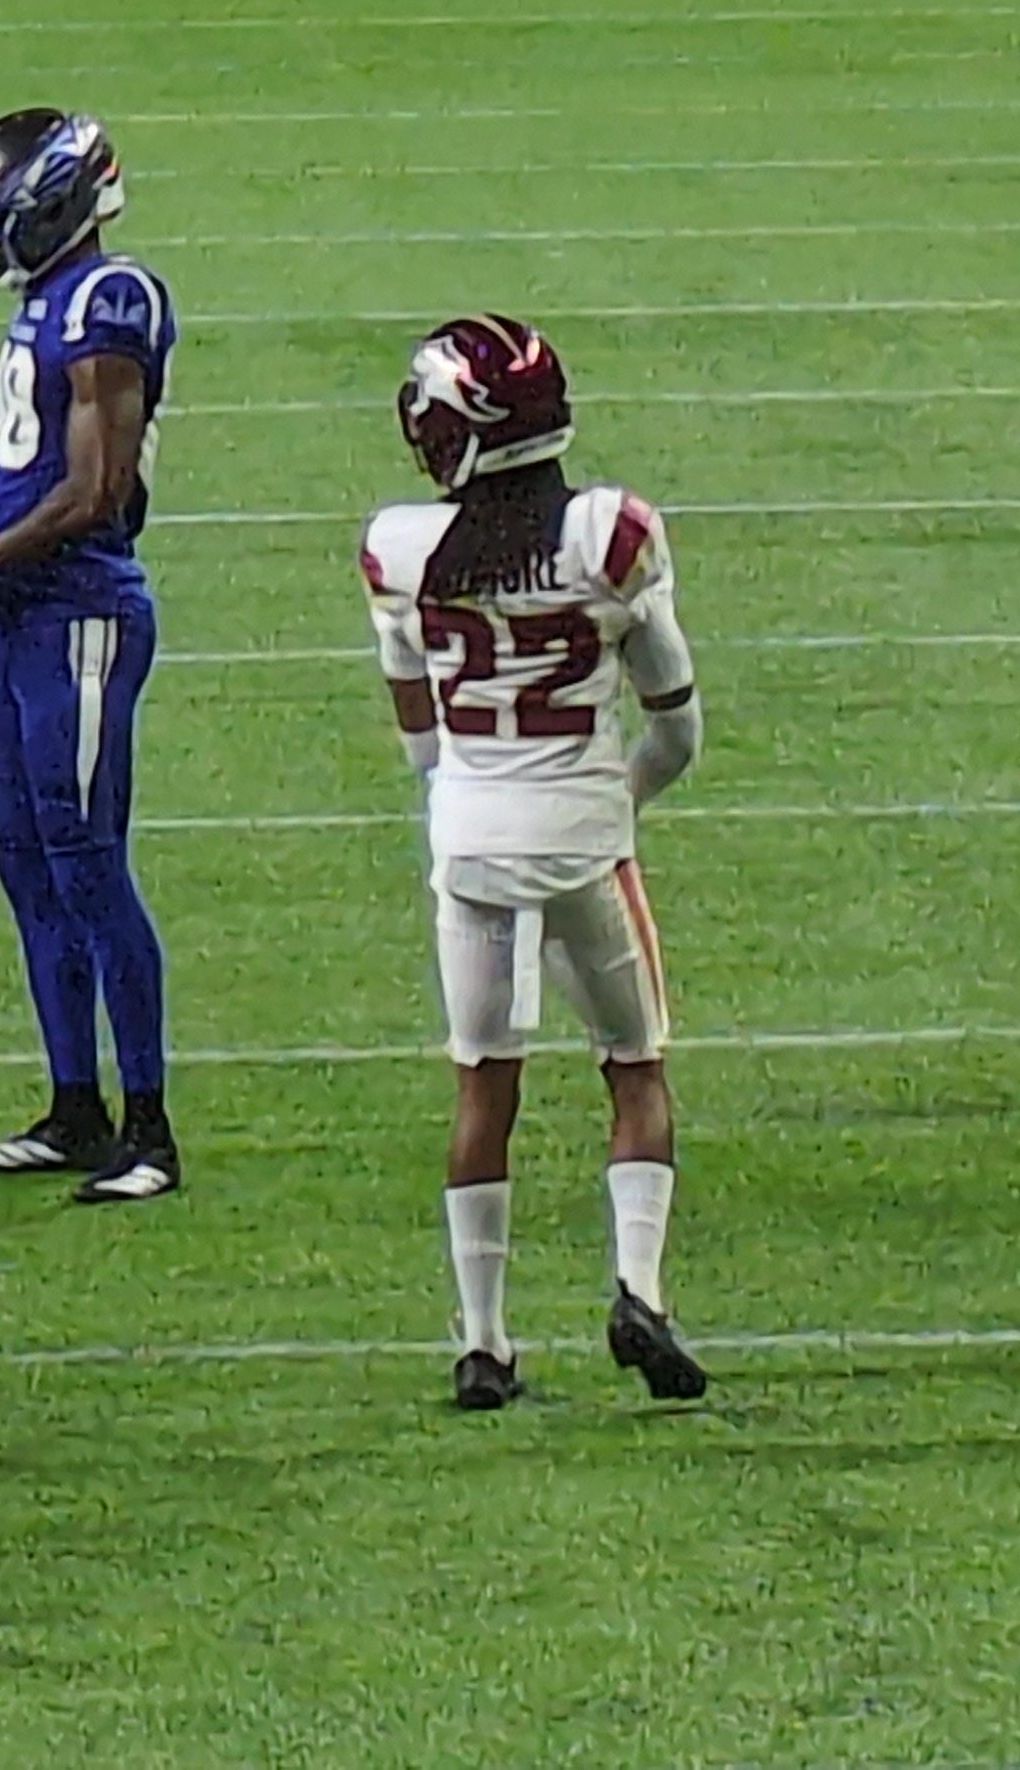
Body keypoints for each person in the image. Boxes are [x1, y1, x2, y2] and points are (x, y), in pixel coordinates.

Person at [358, 316, 708, 1414]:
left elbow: (422, 745)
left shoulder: (401, 551)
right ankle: (638, 1290)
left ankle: (484, 1341)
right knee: (634, 1067)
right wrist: (605, 805)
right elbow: (676, 731)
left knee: (484, 1087)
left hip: (469, 843)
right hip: (583, 842)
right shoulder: (609, 538)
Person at [0, 108, 183, 1207]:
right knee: (26, 858)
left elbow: (95, 491)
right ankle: (76, 1108)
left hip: (80, 614)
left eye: (1, 217)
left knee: (87, 861)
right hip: (23, 616)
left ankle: (148, 1127)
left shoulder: (110, 299)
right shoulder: (48, 300)